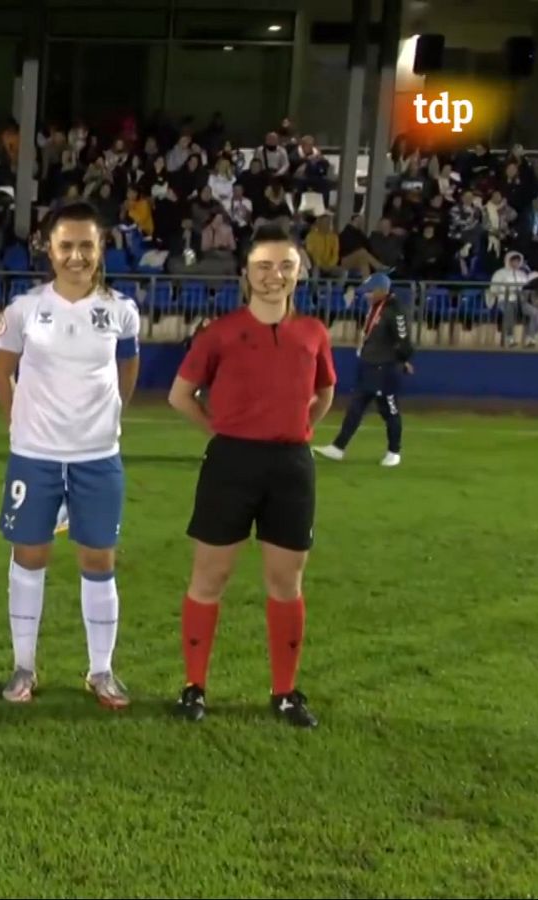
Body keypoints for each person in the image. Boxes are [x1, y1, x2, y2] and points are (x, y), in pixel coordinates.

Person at [167, 222, 336, 728]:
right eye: (263, 266)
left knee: (286, 581)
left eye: (285, 265)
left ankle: (285, 693)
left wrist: (299, 427)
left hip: (291, 467)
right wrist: (222, 432)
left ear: (299, 273)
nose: (274, 276)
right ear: (246, 272)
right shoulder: (220, 332)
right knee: (210, 576)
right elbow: (181, 395)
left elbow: (324, 393)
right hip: (230, 465)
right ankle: (194, 687)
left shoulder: (313, 333)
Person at [0, 202, 140, 707]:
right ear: (50, 250)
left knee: (98, 557)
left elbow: (128, 367)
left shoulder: (121, 309)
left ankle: (102, 671)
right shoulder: (25, 309)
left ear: (100, 251)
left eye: (86, 245)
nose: (75, 255)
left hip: (97, 455)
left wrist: (112, 417)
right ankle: (23, 668)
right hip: (35, 455)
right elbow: (3, 370)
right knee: (30, 554)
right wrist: (19, 425)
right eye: (66, 246)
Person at [315, 273, 414, 467]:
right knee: (355, 409)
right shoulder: (377, 308)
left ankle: (394, 452)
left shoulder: (395, 310)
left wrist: (403, 360)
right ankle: (338, 447)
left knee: (389, 410)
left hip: (384, 369)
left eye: (369, 291)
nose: (366, 295)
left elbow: (403, 341)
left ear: (381, 290)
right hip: (368, 366)